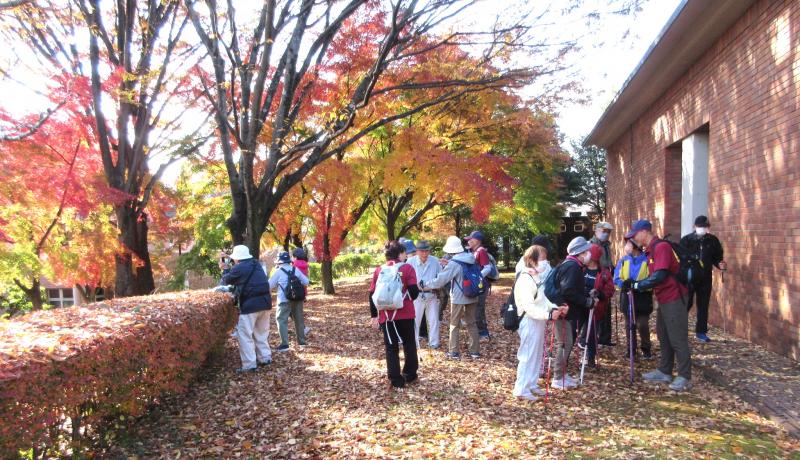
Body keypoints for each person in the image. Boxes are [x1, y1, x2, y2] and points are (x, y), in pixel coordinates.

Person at [623, 219, 692, 391]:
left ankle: (684, 376)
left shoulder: (661, 248)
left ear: (645, 232)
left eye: (635, 235)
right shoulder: (651, 250)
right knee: (663, 334)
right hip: (664, 298)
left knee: (677, 337)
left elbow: (660, 275)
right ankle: (665, 370)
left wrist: (637, 285)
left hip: (674, 297)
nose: (634, 240)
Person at [512, 245, 567, 401]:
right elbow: (529, 307)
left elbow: (543, 300)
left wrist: (556, 307)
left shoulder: (536, 277)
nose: (545, 262)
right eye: (542, 259)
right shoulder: (524, 279)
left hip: (538, 321)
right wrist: (548, 314)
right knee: (527, 355)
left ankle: (531, 383)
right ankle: (521, 389)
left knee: (536, 355)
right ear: (532, 260)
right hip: (529, 321)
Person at [547, 236, 597, 389]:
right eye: (586, 251)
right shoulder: (573, 267)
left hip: (564, 310)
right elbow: (568, 291)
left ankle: (562, 375)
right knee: (564, 343)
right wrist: (586, 302)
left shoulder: (570, 265)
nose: (589, 254)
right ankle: (557, 378)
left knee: (566, 343)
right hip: (563, 312)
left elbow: (572, 289)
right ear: (580, 253)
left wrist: (586, 294)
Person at [420, 235, 481, 359]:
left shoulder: (454, 263)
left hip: (459, 296)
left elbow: (440, 280)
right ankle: (475, 351)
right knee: (472, 323)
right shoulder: (471, 258)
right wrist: (448, 264)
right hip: (473, 294)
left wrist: (425, 285)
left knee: (454, 324)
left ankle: (453, 351)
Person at [369, 241, 420, 389]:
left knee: (391, 347)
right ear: (400, 253)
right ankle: (410, 374)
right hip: (405, 313)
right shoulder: (407, 268)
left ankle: (395, 379)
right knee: (409, 344)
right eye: (404, 252)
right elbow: (414, 293)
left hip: (386, 316)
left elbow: (372, 293)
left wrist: (374, 316)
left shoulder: (379, 270)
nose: (406, 255)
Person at [221, 245, 273, 373]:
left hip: (250, 306)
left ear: (237, 258)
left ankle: (249, 364)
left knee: (244, 335)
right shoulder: (256, 265)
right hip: (266, 303)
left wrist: (225, 270)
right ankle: (265, 358)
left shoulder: (239, 268)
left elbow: (226, 281)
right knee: (261, 333)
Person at [680, 215, 726, 343]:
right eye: (700, 226)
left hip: (705, 277)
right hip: (689, 277)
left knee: (703, 305)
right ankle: (679, 330)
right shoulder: (687, 240)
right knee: (686, 303)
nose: (702, 229)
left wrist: (720, 264)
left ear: (708, 227)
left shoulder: (713, 240)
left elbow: (717, 257)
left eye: (705, 227)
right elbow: (681, 258)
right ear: (694, 227)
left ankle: (701, 332)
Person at [614, 238, 654, 359]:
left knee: (642, 324)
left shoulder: (647, 260)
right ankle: (631, 349)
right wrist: (624, 284)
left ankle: (646, 349)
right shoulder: (624, 260)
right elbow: (616, 278)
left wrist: (638, 285)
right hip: (627, 295)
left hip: (643, 297)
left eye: (629, 244)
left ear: (636, 246)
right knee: (629, 325)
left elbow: (651, 279)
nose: (626, 246)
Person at [579, 244, 615, 369]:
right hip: (580, 305)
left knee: (592, 333)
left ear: (593, 257)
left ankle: (590, 357)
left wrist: (599, 294)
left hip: (595, 308)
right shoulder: (580, 269)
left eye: (588, 253)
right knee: (574, 331)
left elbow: (610, 290)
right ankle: (569, 356)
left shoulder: (604, 273)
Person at [269, 251, 310, 352]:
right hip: (297, 299)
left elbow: (269, 286)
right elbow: (306, 281)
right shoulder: (295, 269)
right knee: (299, 320)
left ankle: (285, 344)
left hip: (284, 299)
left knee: (281, 320)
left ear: (279, 262)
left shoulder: (278, 271)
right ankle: (302, 342)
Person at [407, 240, 442, 349]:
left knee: (434, 320)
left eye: (427, 251)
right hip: (416, 296)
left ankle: (434, 343)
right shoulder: (410, 262)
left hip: (432, 294)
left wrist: (431, 285)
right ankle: (413, 342)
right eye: (422, 251)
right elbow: (406, 279)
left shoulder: (435, 261)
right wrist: (414, 286)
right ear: (417, 251)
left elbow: (440, 277)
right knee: (415, 320)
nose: (424, 254)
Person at [464, 231, 494, 341]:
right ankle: (479, 332)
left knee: (479, 309)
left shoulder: (481, 251)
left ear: (478, 241)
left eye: (471, 239)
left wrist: (477, 277)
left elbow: (487, 267)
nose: (469, 241)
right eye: (468, 239)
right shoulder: (473, 251)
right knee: (475, 308)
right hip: (477, 285)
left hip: (481, 285)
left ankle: (484, 334)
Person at [591, 222, 616, 346]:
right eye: (604, 231)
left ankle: (605, 338)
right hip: (597, 278)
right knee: (596, 309)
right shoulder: (591, 244)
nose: (606, 234)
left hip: (607, 279)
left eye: (609, 232)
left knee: (606, 309)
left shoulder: (607, 245)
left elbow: (608, 262)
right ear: (597, 230)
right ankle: (593, 337)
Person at [291, 248, 312, 337]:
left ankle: (302, 329)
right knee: (298, 311)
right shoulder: (305, 264)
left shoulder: (294, 265)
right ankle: (302, 329)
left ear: (295, 256)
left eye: (292, 256)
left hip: (294, 290)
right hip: (302, 291)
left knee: (292, 312)